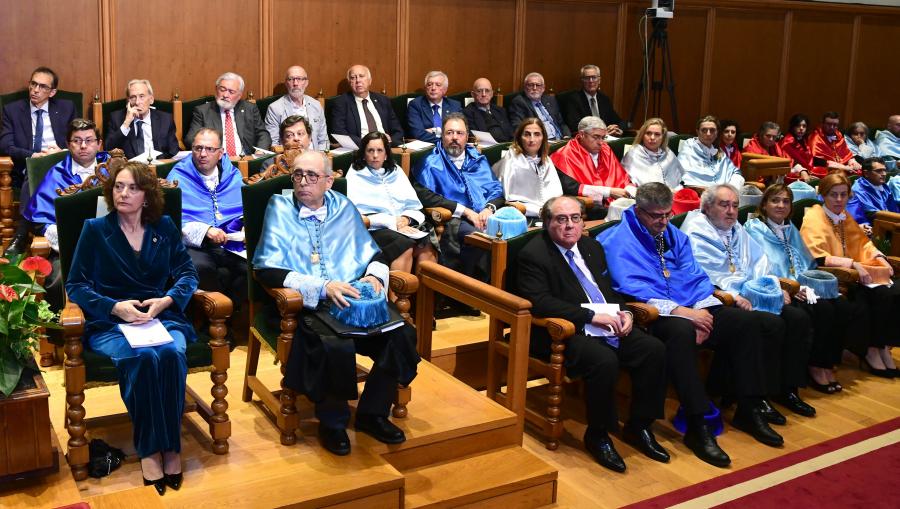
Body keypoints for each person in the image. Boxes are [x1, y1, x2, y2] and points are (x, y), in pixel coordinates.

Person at [253, 150, 420, 456]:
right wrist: (322, 286)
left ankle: (372, 413)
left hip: (353, 300)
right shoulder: (279, 207)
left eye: (312, 176)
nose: (303, 182)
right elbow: (265, 267)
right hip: (307, 305)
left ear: (329, 181)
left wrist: (375, 277)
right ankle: (333, 422)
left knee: (402, 334)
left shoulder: (342, 206)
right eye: (298, 175)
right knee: (334, 346)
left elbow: (372, 254)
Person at [599, 183, 783, 450]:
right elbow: (630, 287)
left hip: (693, 307)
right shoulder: (617, 240)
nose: (663, 222)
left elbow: (696, 277)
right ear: (638, 210)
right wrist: (684, 314)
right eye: (655, 216)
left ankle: (749, 407)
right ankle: (698, 423)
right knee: (681, 332)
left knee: (746, 322)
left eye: (667, 214)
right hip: (653, 315)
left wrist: (703, 313)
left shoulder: (674, 236)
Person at [66, 162, 198, 496]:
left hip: (161, 316)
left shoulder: (164, 227)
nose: (124, 194)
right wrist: (113, 306)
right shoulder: (95, 230)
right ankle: (150, 449)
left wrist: (167, 301)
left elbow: (187, 274)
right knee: (141, 360)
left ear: (147, 195)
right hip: (111, 320)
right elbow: (76, 285)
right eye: (119, 187)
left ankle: (172, 448)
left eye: (133, 188)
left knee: (169, 354)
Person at [516, 196, 667, 472]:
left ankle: (639, 425)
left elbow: (608, 291)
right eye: (561, 219)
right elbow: (540, 301)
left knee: (653, 349)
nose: (569, 226)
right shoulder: (534, 254)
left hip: (605, 323)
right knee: (603, 361)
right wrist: (591, 316)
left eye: (575, 218)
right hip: (563, 332)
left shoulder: (591, 247)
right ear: (547, 222)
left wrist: (626, 313)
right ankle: (598, 434)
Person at [681, 184, 815, 420]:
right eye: (724, 205)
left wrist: (773, 288)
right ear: (707, 207)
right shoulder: (695, 231)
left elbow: (759, 263)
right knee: (771, 323)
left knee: (797, 317)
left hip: (749, 293)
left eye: (735, 205)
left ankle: (786, 389)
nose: (732, 211)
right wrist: (735, 296)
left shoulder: (736, 229)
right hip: (717, 298)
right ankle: (758, 396)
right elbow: (701, 277)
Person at [745, 184, 859, 393]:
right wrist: (788, 286)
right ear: (764, 204)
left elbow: (806, 262)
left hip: (805, 286)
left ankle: (826, 363)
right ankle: (814, 366)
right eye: (775, 200)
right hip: (780, 289)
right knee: (822, 310)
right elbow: (758, 266)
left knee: (842, 306)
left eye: (786, 201)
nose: (780, 205)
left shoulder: (791, 230)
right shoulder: (755, 229)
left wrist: (808, 284)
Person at [800, 173, 900, 378]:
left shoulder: (844, 216)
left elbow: (863, 244)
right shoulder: (814, 216)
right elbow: (819, 257)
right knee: (877, 296)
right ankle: (869, 348)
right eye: (833, 195)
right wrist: (852, 264)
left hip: (856, 274)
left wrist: (881, 258)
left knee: (892, 291)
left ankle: (880, 345)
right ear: (823, 195)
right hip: (833, 277)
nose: (838, 200)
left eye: (843, 195)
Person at [22, 118, 108, 309]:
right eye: (77, 141)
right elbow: (41, 220)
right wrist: (69, 242)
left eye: (89, 140)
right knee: (57, 280)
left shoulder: (114, 169)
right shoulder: (56, 175)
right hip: (70, 246)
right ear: (68, 145)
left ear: (99, 144)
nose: (83, 146)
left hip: (112, 240)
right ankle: (62, 335)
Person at [412, 113, 503, 279]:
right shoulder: (430, 162)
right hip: (452, 219)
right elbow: (425, 196)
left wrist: (488, 209)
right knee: (481, 239)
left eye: (459, 133)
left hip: (484, 215)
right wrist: (466, 212)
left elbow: (496, 190)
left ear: (467, 136)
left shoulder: (478, 159)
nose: (454, 138)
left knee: (511, 233)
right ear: (442, 136)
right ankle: (471, 293)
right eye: (449, 133)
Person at [166, 129, 247, 309]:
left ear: (220, 153)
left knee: (250, 268)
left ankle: (230, 315)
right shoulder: (178, 177)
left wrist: (243, 228)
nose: (203, 154)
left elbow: (243, 210)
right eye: (198, 148)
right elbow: (173, 220)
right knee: (201, 268)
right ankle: (212, 316)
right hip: (194, 244)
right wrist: (206, 230)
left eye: (210, 149)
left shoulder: (232, 175)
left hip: (230, 242)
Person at [0, 66, 76, 256]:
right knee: (34, 173)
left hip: (60, 162)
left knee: (41, 172)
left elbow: (79, 138)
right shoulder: (13, 110)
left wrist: (63, 150)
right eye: (33, 84)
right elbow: (5, 146)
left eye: (42, 87)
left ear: (52, 92)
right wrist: (33, 155)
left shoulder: (66, 108)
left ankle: (23, 234)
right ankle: (31, 232)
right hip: (29, 164)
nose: (35, 90)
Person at [346, 131, 438, 272]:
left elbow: (413, 204)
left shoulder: (396, 171)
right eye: (370, 150)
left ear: (386, 154)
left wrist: (406, 219)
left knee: (427, 245)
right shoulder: (355, 173)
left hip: (402, 224)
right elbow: (357, 214)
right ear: (364, 154)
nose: (375, 155)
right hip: (375, 228)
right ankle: (399, 294)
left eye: (380, 150)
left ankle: (422, 294)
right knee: (403, 246)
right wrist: (392, 222)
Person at [493, 118, 575, 220]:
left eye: (537, 134)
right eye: (527, 134)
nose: (532, 140)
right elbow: (511, 200)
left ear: (543, 138)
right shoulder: (511, 161)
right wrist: (540, 211)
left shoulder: (546, 160)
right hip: (522, 216)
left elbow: (555, 194)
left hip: (551, 213)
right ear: (519, 137)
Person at [550, 116, 635, 204]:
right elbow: (572, 188)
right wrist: (608, 192)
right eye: (596, 137)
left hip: (616, 203)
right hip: (586, 205)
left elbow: (622, 179)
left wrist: (631, 191)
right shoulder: (564, 155)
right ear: (582, 134)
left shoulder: (606, 149)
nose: (601, 142)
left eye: (603, 138)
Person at [185, 72, 271, 155]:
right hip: (215, 160)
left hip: (246, 158)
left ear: (239, 95)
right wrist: (209, 151)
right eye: (222, 89)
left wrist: (260, 151)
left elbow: (263, 134)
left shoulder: (249, 109)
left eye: (231, 92)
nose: (225, 95)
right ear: (216, 89)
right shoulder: (203, 111)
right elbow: (190, 139)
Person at [330, 64, 405, 147]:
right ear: (349, 82)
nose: (358, 80)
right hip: (360, 149)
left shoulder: (383, 100)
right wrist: (369, 143)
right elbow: (340, 133)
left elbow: (398, 131)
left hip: (387, 147)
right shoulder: (341, 103)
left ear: (370, 80)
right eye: (353, 77)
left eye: (361, 76)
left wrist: (389, 142)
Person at [105, 79, 180, 160]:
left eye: (141, 96)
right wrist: (126, 123)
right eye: (133, 97)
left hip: (158, 165)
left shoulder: (165, 119)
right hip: (131, 169)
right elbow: (109, 148)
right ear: (128, 101)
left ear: (151, 99)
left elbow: (173, 151)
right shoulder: (117, 118)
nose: (137, 102)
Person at [264, 66, 328, 149]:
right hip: (289, 157)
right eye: (291, 79)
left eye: (299, 79)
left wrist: (320, 158)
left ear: (306, 82)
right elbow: (273, 143)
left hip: (315, 156)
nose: (295, 83)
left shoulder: (316, 105)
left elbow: (323, 140)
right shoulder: (275, 108)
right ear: (286, 83)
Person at [678, 115, 745, 189]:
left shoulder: (718, 151)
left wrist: (729, 188)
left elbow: (735, 172)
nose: (708, 134)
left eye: (712, 130)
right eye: (704, 130)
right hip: (697, 192)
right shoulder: (689, 148)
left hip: (720, 192)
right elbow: (682, 177)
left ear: (717, 133)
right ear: (697, 132)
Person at [621, 118, 684, 190]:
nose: (652, 137)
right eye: (648, 133)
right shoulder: (634, 154)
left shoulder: (668, 153)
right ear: (642, 135)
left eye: (657, 134)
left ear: (663, 137)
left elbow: (678, 182)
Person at [560, 65, 623, 136]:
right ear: (582, 80)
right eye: (587, 78)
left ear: (599, 80)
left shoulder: (604, 99)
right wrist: (603, 132)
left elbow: (618, 121)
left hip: (607, 138)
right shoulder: (573, 100)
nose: (591, 81)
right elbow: (575, 127)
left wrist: (616, 128)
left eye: (594, 77)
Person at [508, 73, 571, 140]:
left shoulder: (550, 99)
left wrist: (567, 136)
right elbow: (518, 126)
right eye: (530, 85)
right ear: (525, 87)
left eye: (538, 85)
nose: (534, 88)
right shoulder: (519, 102)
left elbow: (561, 122)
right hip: (542, 142)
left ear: (543, 88)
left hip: (561, 139)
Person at [405, 71, 463, 144]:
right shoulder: (415, 105)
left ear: (445, 89)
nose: (433, 88)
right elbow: (417, 133)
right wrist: (446, 139)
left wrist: (432, 130)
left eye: (438, 85)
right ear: (425, 88)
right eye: (429, 84)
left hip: (451, 148)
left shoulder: (454, 105)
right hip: (426, 148)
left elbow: (461, 131)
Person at [846, 157, 898, 230]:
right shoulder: (859, 189)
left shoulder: (883, 186)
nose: (884, 174)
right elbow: (871, 214)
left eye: (884, 170)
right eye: (879, 171)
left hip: (890, 223)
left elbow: (893, 208)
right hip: (872, 229)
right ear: (866, 173)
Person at [807, 111, 861, 177]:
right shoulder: (816, 138)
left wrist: (853, 162)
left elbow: (846, 154)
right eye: (829, 124)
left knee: (859, 171)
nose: (832, 127)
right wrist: (844, 167)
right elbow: (819, 162)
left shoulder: (839, 135)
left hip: (843, 167)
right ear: (823, 124)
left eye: (835, 125)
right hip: (825, 168)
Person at [463, 78, 513, 142]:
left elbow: (510, 132)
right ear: (473, 94)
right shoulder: (467, 113)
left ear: (492, 94)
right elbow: (473, 137)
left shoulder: (500, 110)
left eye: (487, 91)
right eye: (479, 91)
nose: (484, 94)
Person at [777, 114, 813, 182]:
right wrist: (803, 170)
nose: (801, 128)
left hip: (805, 172)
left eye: (804, 126)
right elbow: (790, 162)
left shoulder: (804, 140)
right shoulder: (788, 141)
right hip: (791, 173)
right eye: (798, 125)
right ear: (793, 127)